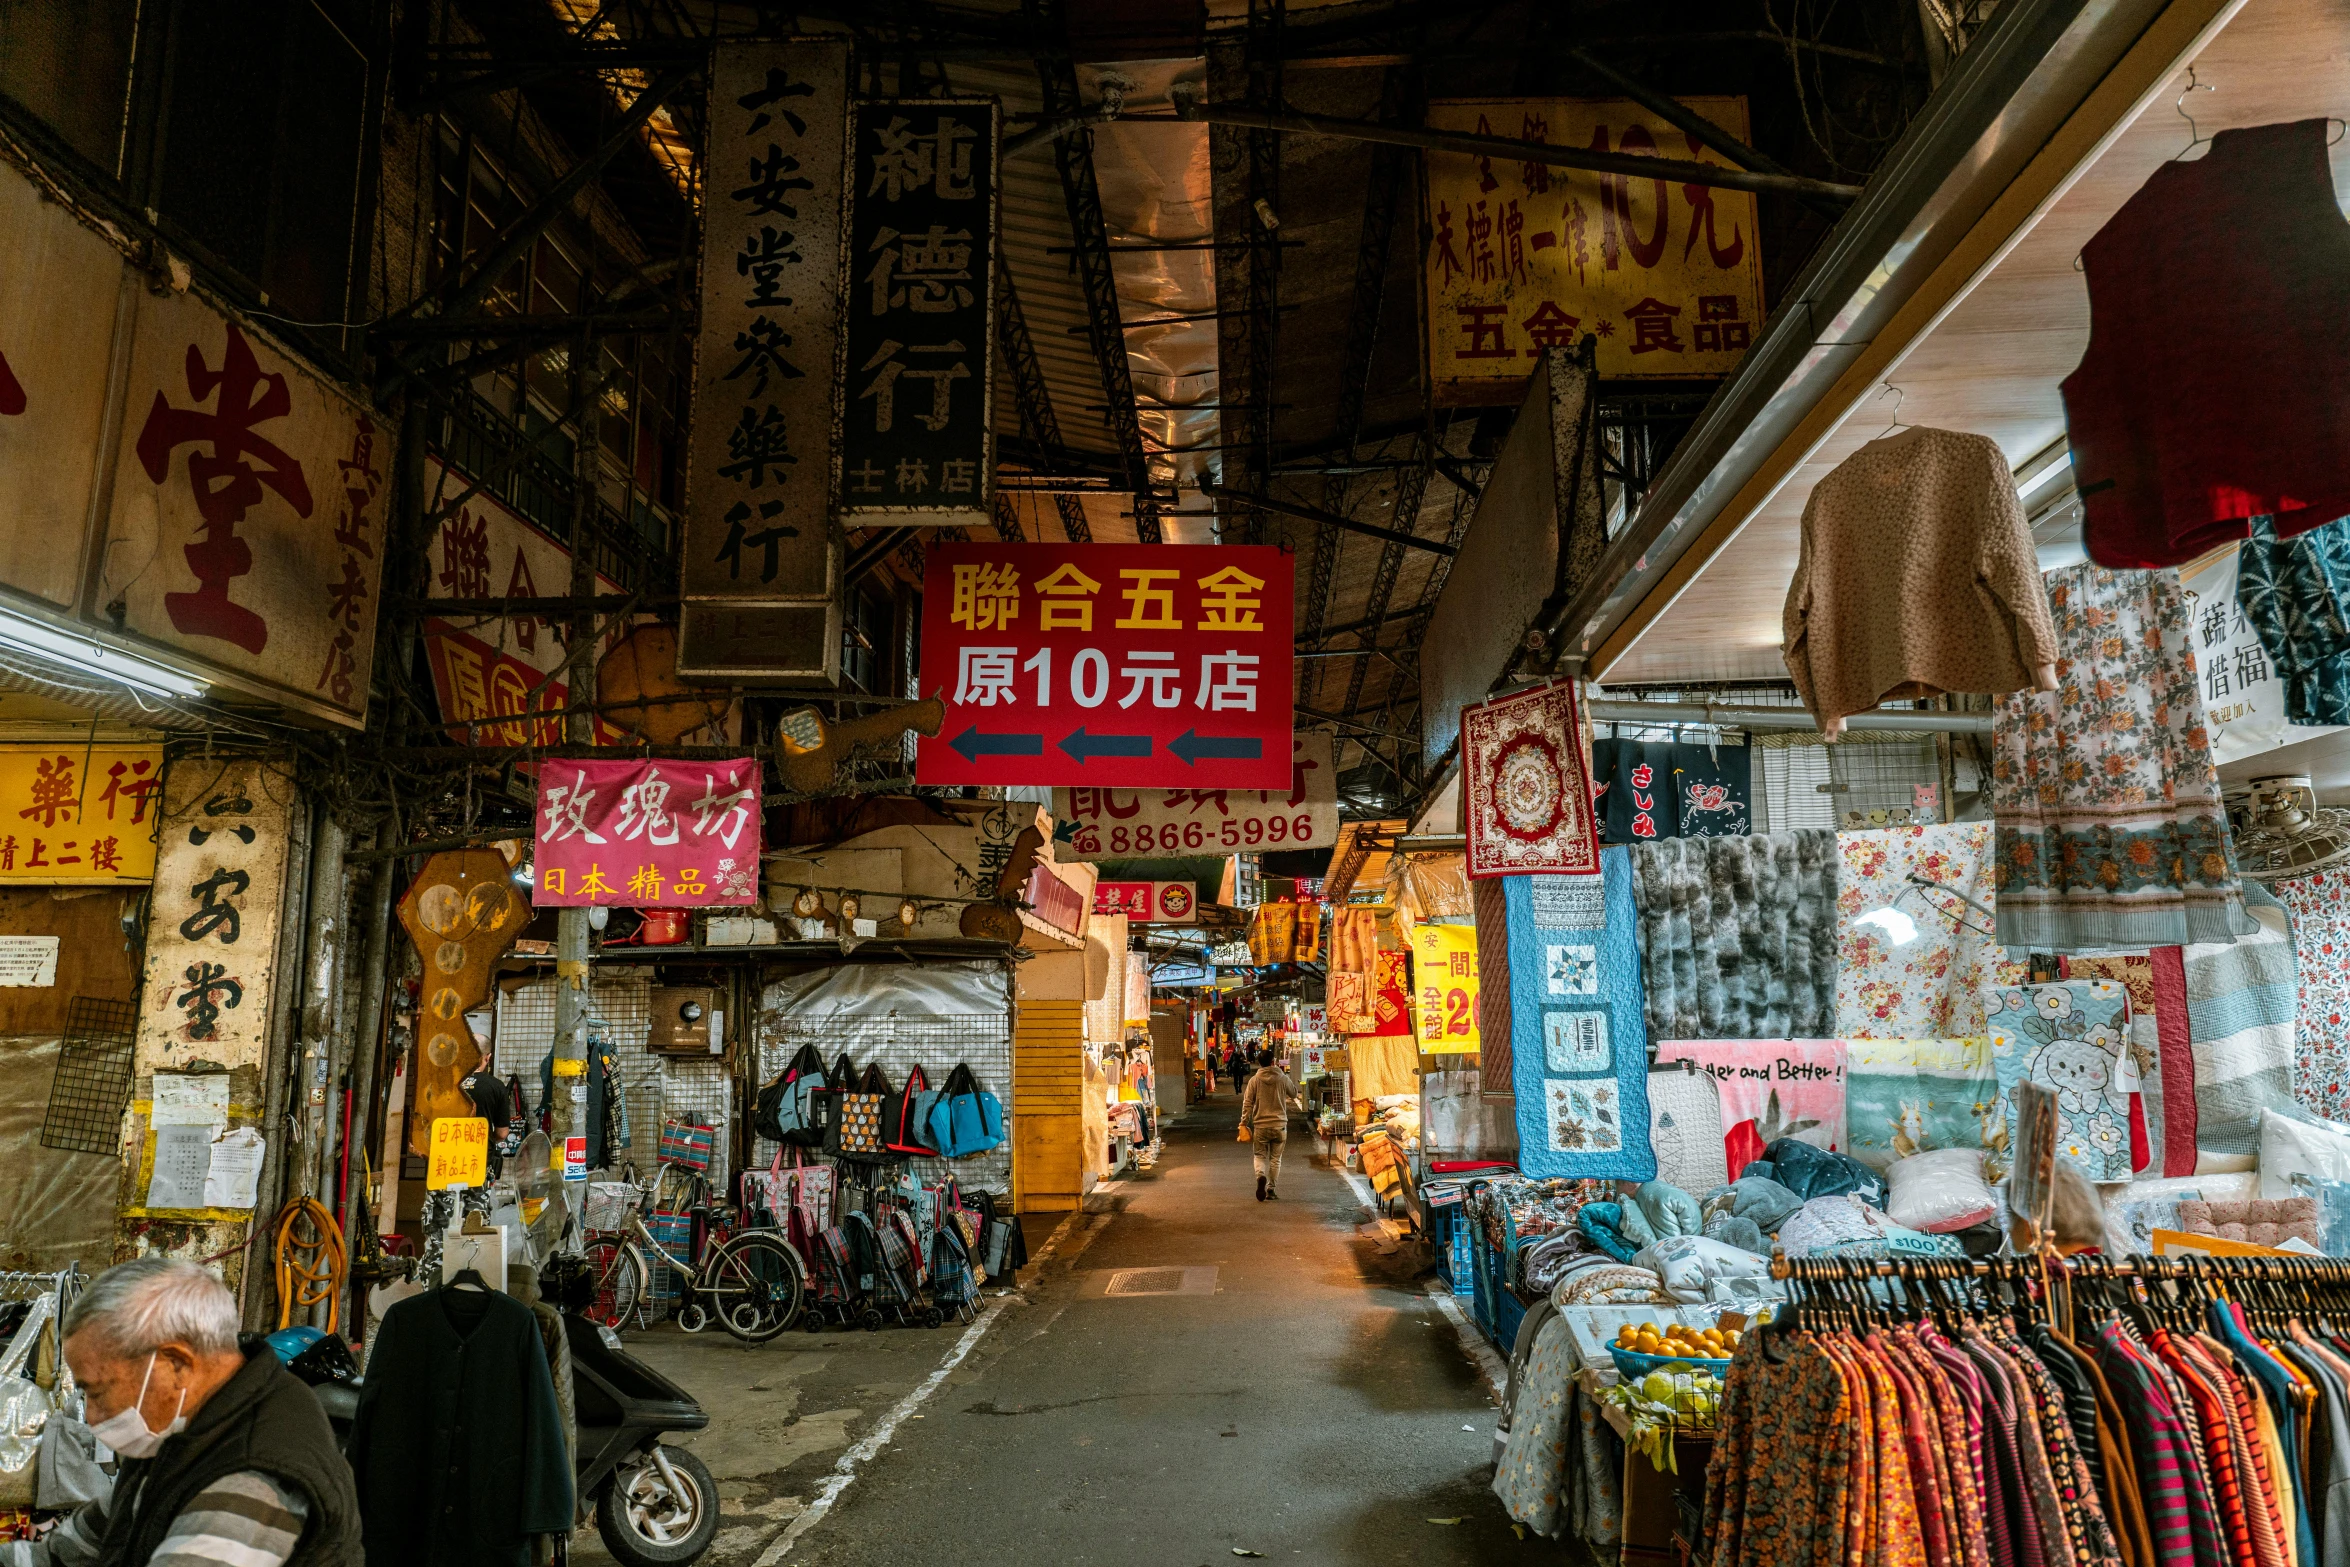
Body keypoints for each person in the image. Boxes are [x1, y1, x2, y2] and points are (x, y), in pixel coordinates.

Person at [14, 1257, 362, 1566]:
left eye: (98, 1391)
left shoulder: (250, 1481)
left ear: (176, 1365)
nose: (91, 1417)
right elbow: (69, 1550)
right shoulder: (180, 1432)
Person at [1242, 1047, 1300, 1201]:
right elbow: (1294, 1093)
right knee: (1275, 1159)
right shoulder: (1282, 1078)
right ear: (1273, 1062)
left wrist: (1243, 1122)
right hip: (1279, 1124)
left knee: (1259, 1155)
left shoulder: (1254, 1080)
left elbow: (1247, 1103)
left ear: (1259, 1063)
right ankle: (1271, 1189)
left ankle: (1260, 1176)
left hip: (1260, 1125)